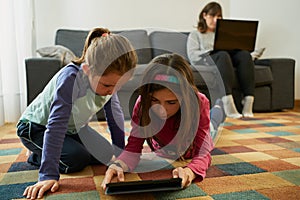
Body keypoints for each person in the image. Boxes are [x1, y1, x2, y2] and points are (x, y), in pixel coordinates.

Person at [16, 27, 137, 199]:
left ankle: (46, 149)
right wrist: (48, 175)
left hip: (73, 128)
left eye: (119, 86)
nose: (112, 91)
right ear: (88, 70)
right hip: (36, 127)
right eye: (107, 86)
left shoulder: (110, 83)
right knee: (76, 159)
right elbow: (56, 125)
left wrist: (121, 157)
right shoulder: (70, 79)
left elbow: (115, 118)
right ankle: (36, 155)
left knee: (103, 153)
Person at [101, 53, 225, 190]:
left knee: (213, 124)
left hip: (193, 141)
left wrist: (190, 171)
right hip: (166, 149)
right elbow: (132, 149)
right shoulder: (143, 104)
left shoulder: (199, 102)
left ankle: (219, 108)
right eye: (155, 101)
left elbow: (203, 153)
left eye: (171, 102)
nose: (162, 110)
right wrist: (119, 164)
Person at [187, 1, 255, 118]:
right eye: (212, 16)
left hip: (226, 58)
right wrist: (212, 51)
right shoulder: (196, 34)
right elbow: (193, 56)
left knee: (244, 55)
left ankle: (248, 103)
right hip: (208, 59)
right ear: (204, 15)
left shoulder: (224, 34)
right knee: (222, 54)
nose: (215, 20)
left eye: (218, 16)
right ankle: (228, 104)